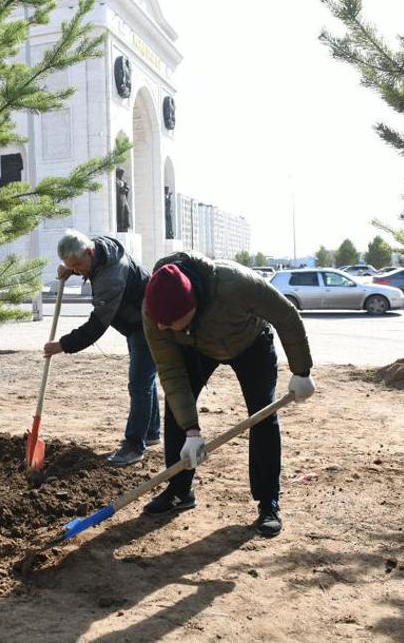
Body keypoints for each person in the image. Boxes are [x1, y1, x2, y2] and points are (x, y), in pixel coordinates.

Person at [141, 252, 316, 537]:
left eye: (168, 322)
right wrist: (192, 430)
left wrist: (302, 371)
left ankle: (268, 501)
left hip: (250, 342)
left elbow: (285, 315)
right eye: (158, 321)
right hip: (197, 347)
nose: (161, 327)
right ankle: (179, 491)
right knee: (176, 410)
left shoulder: (234, 283)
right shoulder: (154, 310)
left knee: (263, 416)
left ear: (192, 304)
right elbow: (171, 372)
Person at [43, 230, 160, 466]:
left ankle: (134, 446)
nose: (77, 270)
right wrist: (69, 268)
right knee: (144, 380)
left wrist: (63, 344)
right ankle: (151, 431)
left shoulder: (111, 277)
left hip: (147, 324)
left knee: (138, 384)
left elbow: (96, 326)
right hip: (136, 320)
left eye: (78, 264)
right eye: (71, 266)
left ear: (89, 252)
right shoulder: (98, 251)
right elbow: (83, 263)